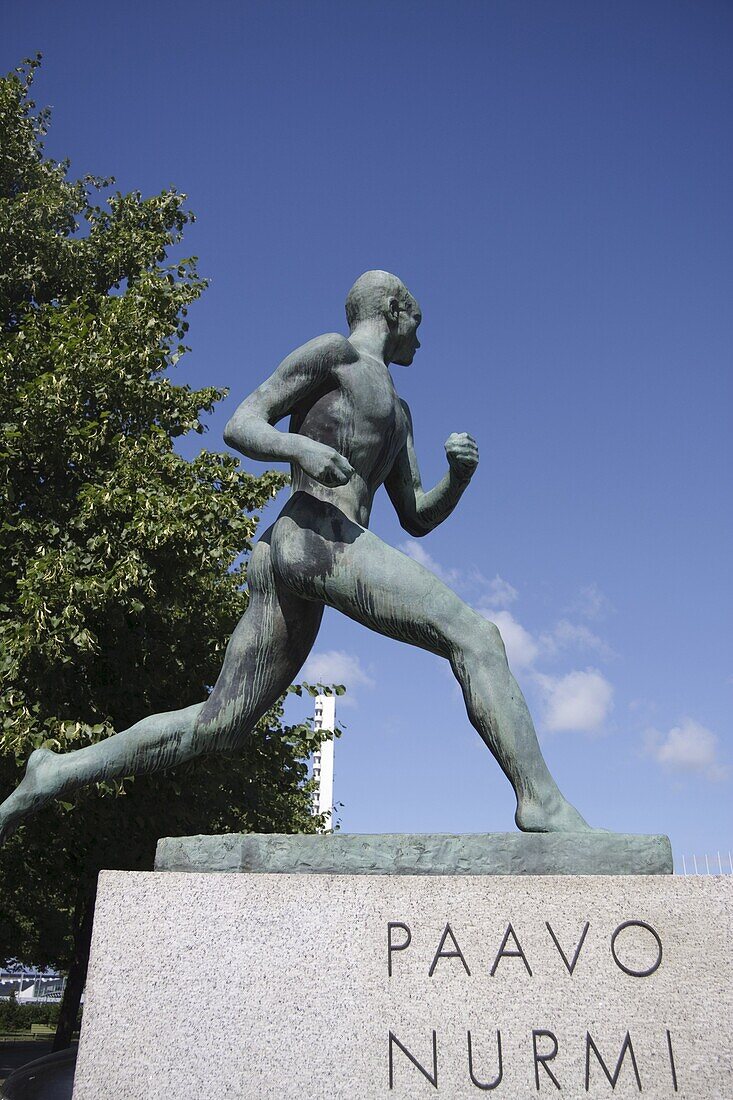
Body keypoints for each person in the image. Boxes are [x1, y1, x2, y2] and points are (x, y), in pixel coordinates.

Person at [0, 271, 592, 842]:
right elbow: (242, 423)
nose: (421, 337)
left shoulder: (400, 412)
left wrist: (457, 479)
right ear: (394, 310)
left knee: (221, 723)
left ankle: (54, 772)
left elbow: (415, 515)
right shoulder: (334, 354)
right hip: (312, 534)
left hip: (303, 550)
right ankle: (539, 798)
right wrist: (301, 447)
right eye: (418, 320)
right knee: (476, 636)